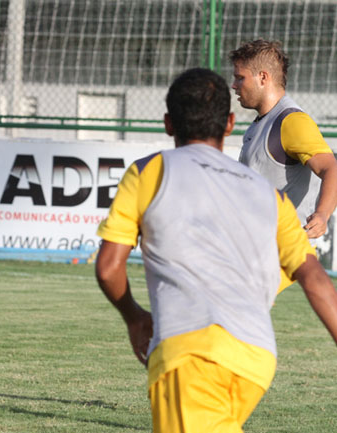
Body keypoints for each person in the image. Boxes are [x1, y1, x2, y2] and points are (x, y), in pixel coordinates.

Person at [95, 68, 337, 432]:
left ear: (167, 124)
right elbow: (316, 280)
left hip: (192, 353)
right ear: (228, 124)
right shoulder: (267, 194)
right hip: (256, 359)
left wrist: (134, 317)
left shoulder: (148, 172)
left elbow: (108, 267)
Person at [230, 39, 337, 240]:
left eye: (240, 78)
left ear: (263, 77)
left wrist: (322, 215)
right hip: (261, 250)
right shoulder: (262, 122)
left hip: (286, 257)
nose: (234, 85)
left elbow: (331, 168)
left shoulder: (292, 121)